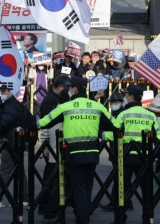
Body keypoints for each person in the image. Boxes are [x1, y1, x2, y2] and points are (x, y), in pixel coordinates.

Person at [38, 77, 117, 224]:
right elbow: (116, 126)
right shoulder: (97, 106)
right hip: (93, 154)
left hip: (73, 155)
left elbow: (43, 122)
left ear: (74, 89)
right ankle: (83, 216)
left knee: (79, 188)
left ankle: (82, 219)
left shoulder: (65, 107)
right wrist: (105, 134)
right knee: (87, 188)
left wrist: (29, 124)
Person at [102, 85, 160, 224]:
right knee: (146, 191)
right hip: (145, 158)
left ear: (131, 97)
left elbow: (115, 134)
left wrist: (102, 134)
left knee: (122, 189)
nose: (126, 96)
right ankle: (147, 219)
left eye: (127, 94)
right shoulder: (150, 115)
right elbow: (157, 137)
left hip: (127, 157)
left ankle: (120, 219)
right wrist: (159, 157)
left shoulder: (124, 114)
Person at [0, 84, 29, 208]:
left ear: (11, 92)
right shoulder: (12, 105)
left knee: (5, 170)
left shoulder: (11, 107)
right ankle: (23, 199)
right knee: (20, 171)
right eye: (1, 91)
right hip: (16, 141)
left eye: (4, 91)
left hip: (10, 142)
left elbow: (3, 124)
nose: (2, 93)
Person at [38, 75, 70, 220]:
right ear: (60, 87)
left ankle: (51, 204)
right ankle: (44, 205)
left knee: (57, 177)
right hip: (52, 142)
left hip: (58, 142)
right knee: (51, 178)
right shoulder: (50, 99)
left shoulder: (61, 99)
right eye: (66, 87)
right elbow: (46, 122)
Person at [100, 92, 133, 212]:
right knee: (122, 178)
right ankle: (126, 201)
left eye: (116, 102)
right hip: (115, 150)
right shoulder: (112, 115)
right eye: (112, 103)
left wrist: (101, 133)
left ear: (121, 103)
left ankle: (116, 202)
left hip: (121, 150)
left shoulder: (121, 115)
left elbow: (116, 133)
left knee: (119, 177)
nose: (114, 104)